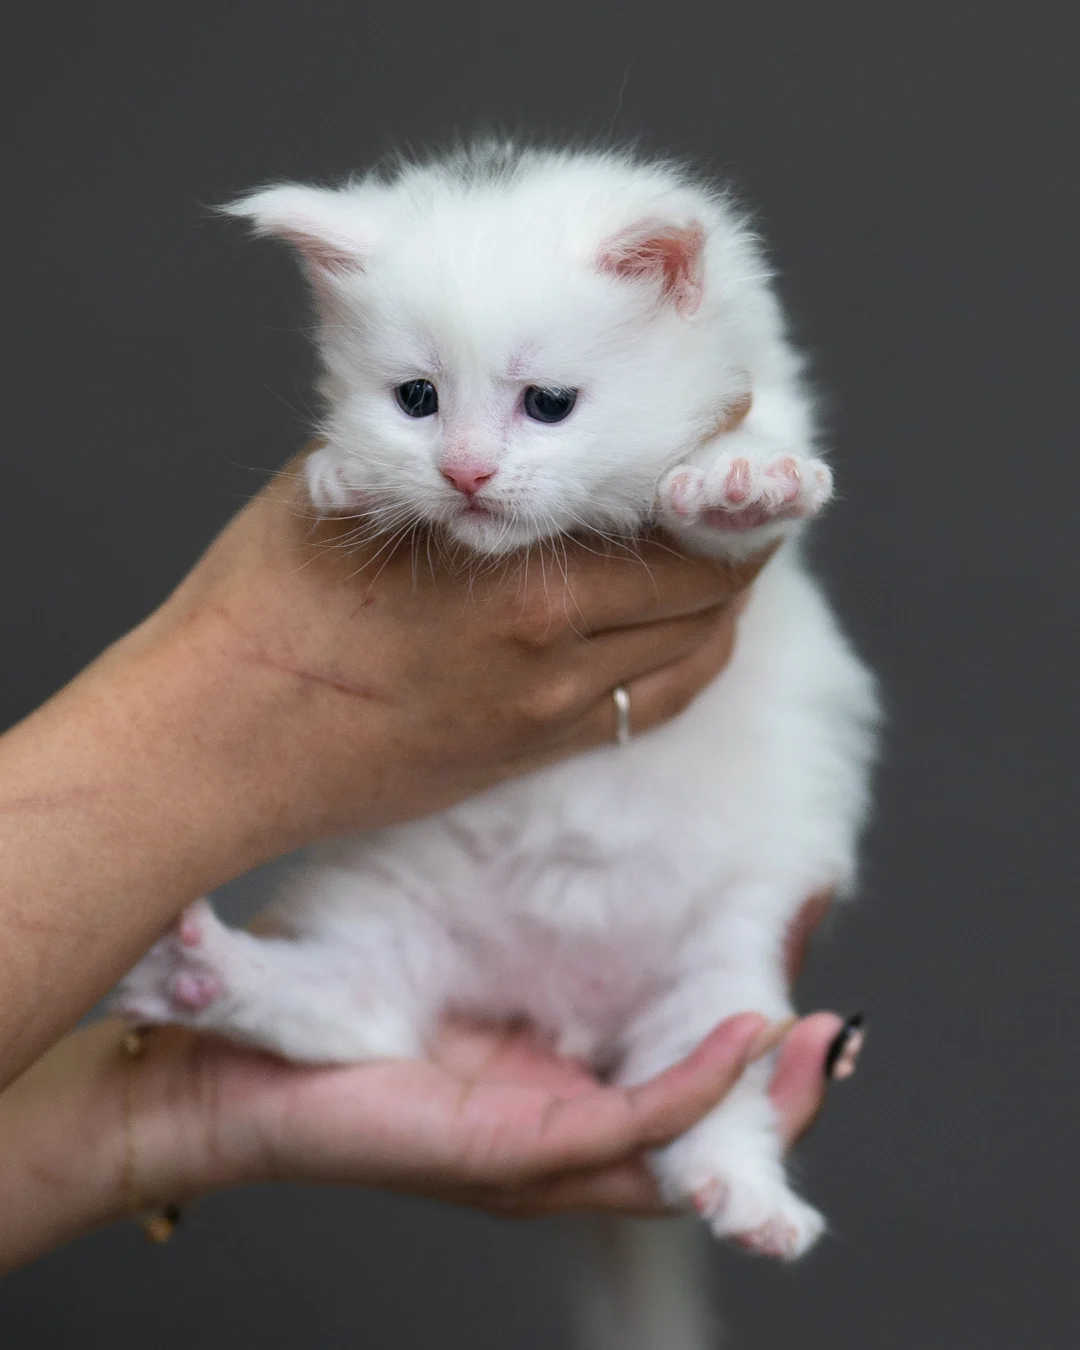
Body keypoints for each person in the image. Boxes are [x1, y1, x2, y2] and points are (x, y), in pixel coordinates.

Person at [0, 454, 859, 1274]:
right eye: (418, 399)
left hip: (694, 855)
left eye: (547, 403)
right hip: (476, 876)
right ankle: (271, 990)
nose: (470, 464)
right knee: (388, 923)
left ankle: (718, 1139)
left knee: (727, 981)